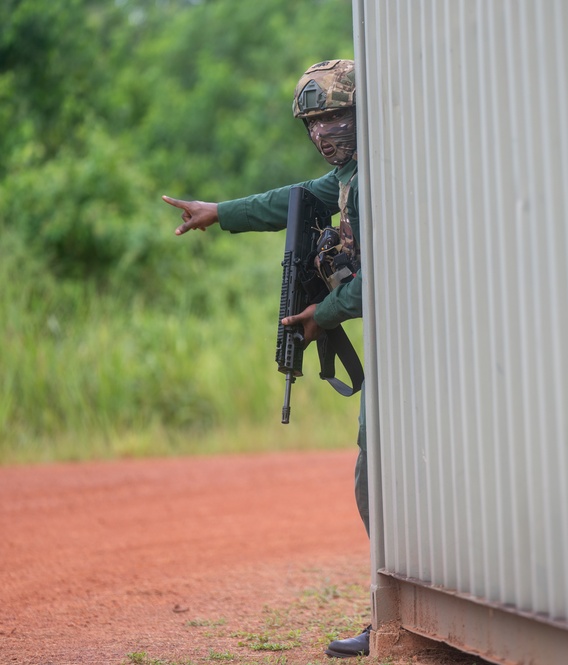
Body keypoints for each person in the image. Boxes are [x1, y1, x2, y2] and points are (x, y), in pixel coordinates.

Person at [162, 59, 371, 659]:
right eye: (313, 123)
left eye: (335, 116)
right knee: (373, 475)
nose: (324, 132)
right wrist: (220, 212)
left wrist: (323, 316)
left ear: (362, 113)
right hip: (403, 354)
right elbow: (297, 200)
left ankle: (404, 603)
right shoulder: (352, 176)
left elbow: (389, 275)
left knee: (381, 476)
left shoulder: (384, 175)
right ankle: (394, 603)